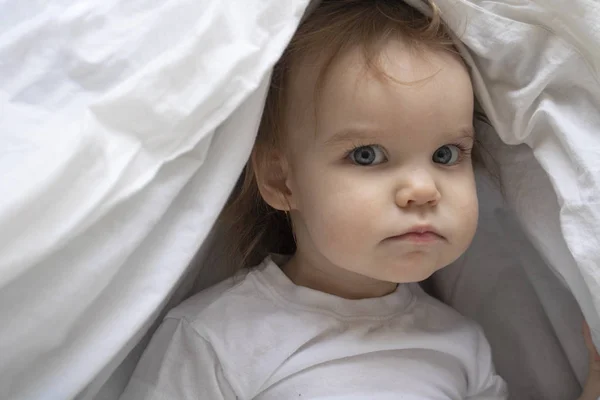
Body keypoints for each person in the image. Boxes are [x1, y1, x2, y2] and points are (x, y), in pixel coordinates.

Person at [120, 1, 600, 399]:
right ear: (282, 181)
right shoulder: (216, 337)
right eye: (368, 155)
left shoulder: (461, 344)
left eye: (445, 153)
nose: (423, 189)